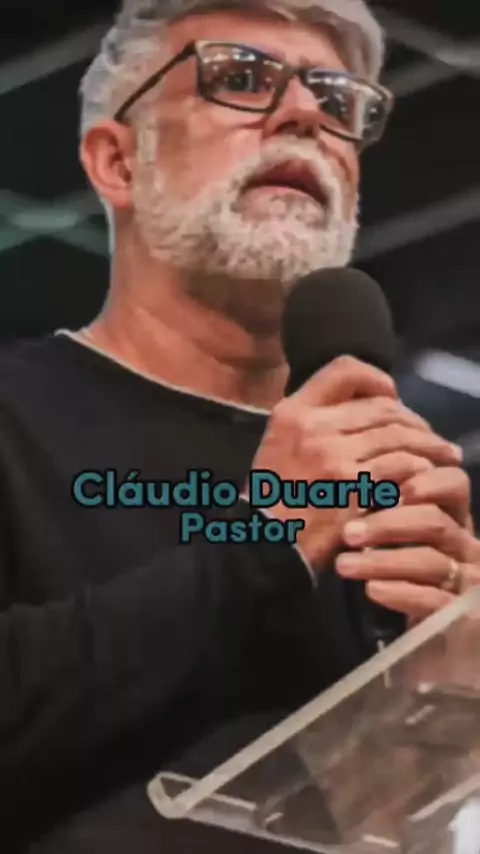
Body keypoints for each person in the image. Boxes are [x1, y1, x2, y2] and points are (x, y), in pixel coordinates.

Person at [2, 0, 479, 851]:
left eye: (336, 99)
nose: (304, 114)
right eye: (241, 78)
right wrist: (262, 548)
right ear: (118, 161)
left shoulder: (396, 480)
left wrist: (448, 690)